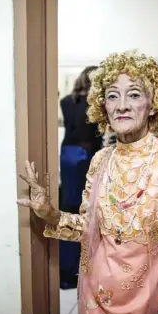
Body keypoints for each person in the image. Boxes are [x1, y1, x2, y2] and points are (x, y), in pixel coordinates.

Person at [17, 50, 158, 314]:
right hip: (97, 297)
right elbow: (88, 229)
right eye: (112, 95)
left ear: (153, 104)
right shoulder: (100, 161)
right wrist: (50, 213)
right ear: (103, 106)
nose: (122, 105)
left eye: (134, 94)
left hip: (149, 303)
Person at [58, 66, 103, 289]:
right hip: (85, 158)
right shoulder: (96, 105)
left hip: (66, 155)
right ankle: (80, 270)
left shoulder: (67, 100)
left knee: (68, 210)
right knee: (86, 213)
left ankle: (66, 272)